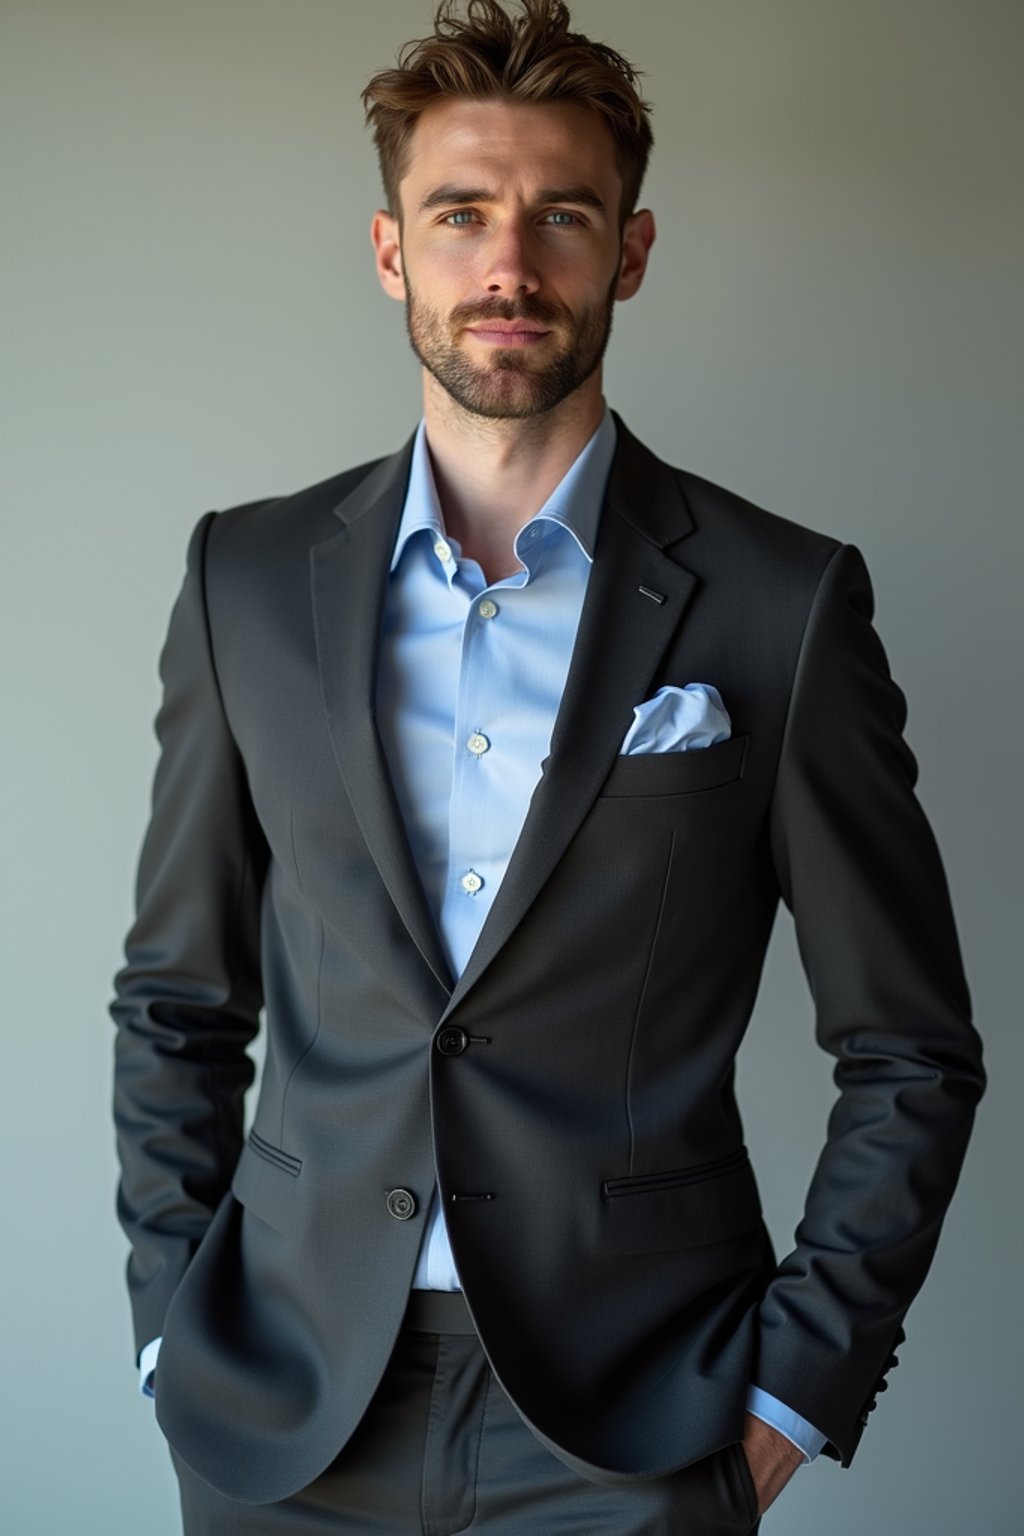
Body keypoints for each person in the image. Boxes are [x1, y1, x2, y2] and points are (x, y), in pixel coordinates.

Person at [111, 2, 985, 1531]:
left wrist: (793, 1397)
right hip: (285, 1407)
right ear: (394, 252)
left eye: (559, 216)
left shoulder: (783, 608)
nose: (508, 265)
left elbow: (910, 1049)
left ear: (629, 253)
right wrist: (171, 1335)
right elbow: (180, 999)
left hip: (638, 1421)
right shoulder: (241, 582)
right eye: (460, 216)